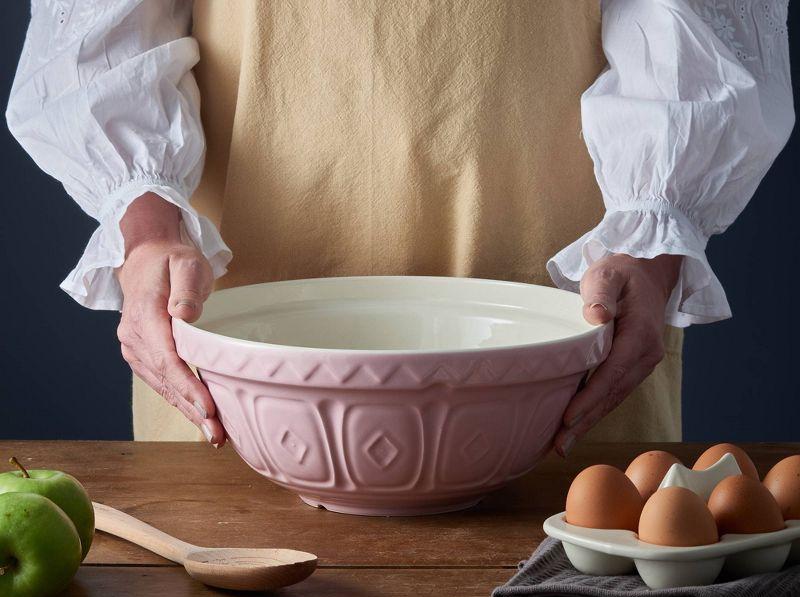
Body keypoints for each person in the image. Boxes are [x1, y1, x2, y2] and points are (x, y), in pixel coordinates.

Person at [7, 1, 793, 454]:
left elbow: (696, 25)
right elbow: (99, 37)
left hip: (573, 351)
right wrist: (146, 229)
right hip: (234, 379)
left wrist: (650, 251)